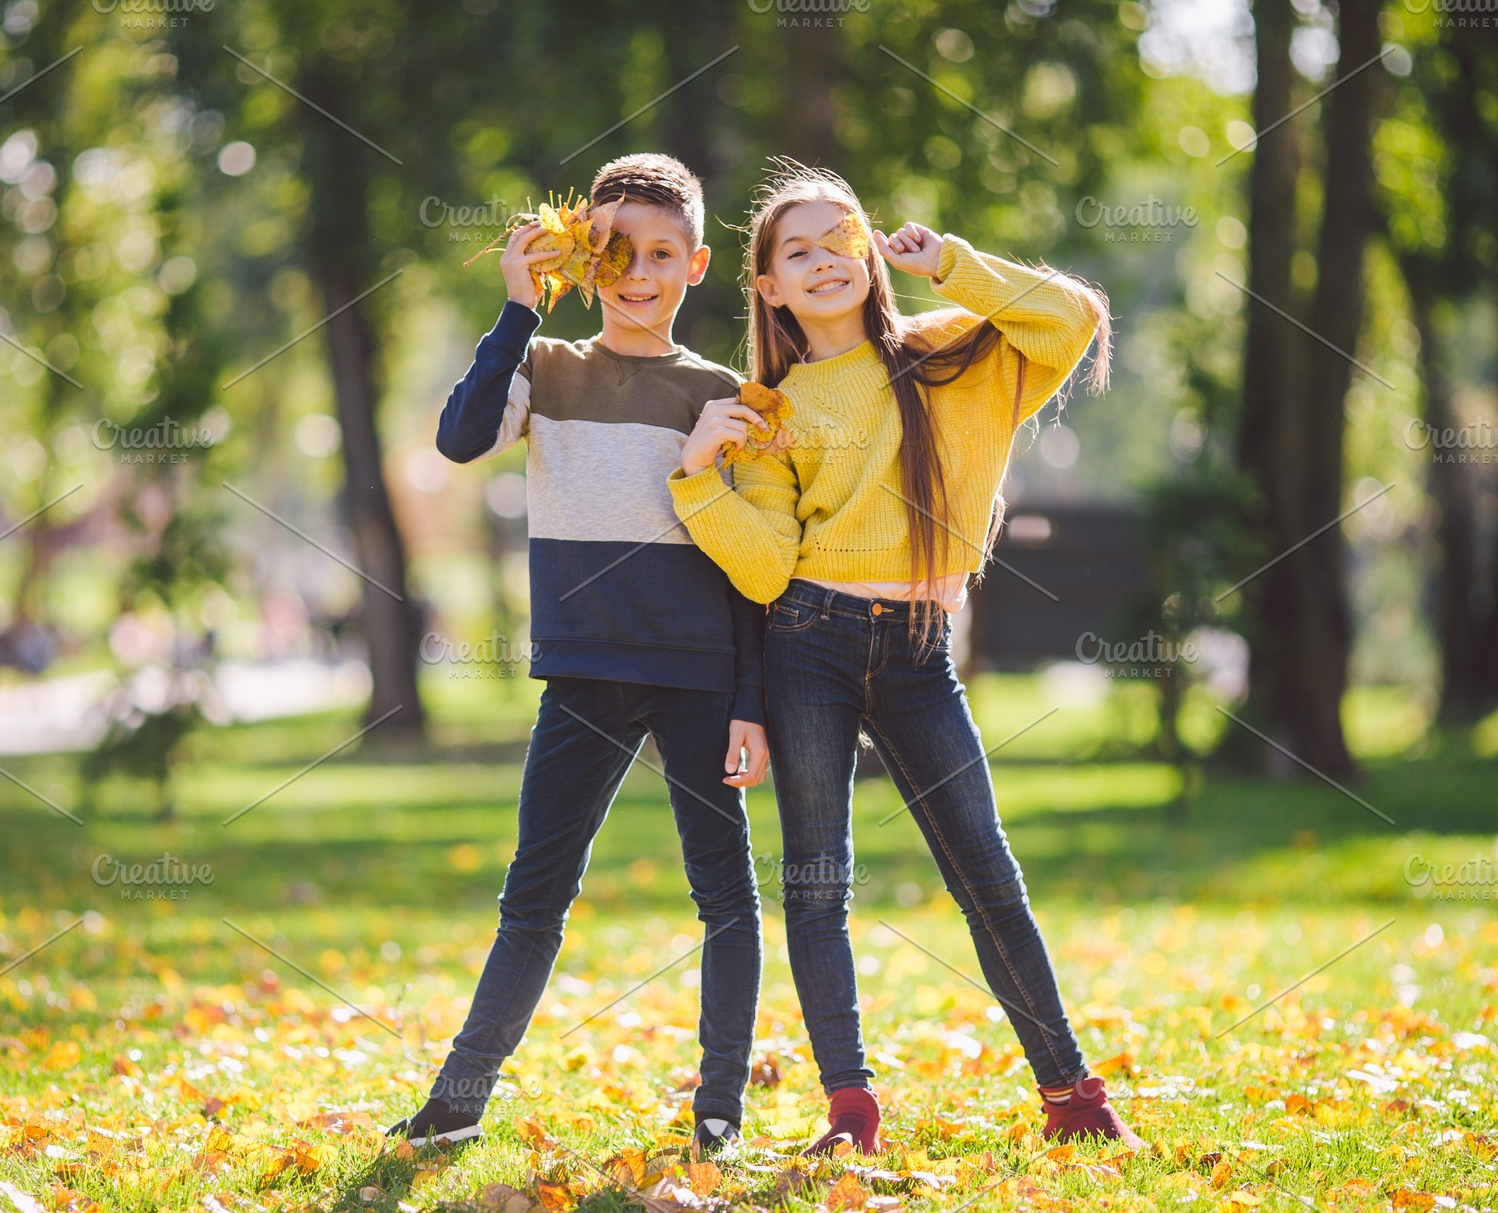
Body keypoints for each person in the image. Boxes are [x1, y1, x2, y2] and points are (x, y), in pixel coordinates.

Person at [666, 163, 1142, 1154]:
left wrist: (952, 264)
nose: (819, 259)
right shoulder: (768, 410)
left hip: (922, 651)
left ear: (867, 250)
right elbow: (762, 572)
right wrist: (697, 478)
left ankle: (1072, 1099)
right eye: (793, 250)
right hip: (810, 641)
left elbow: (1072, 319)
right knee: (815, 881)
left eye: (836, 237)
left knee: (986, 873)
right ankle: (850, 1110)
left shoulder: (949, 354)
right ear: (768, 288)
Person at [389, 154, 766, 1158]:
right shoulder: (546, 369)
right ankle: (459, 1095)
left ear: (695, 264)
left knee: (726, 895)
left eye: (658, 254)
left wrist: (750, 700)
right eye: (613, 253)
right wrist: (515, 309)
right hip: (582, 671)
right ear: (583, 261)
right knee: (534, 893)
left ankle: (719, 1104)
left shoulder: (721, 393)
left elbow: (751, 561)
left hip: (697, 674)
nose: (635, 273)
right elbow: (462, 439)